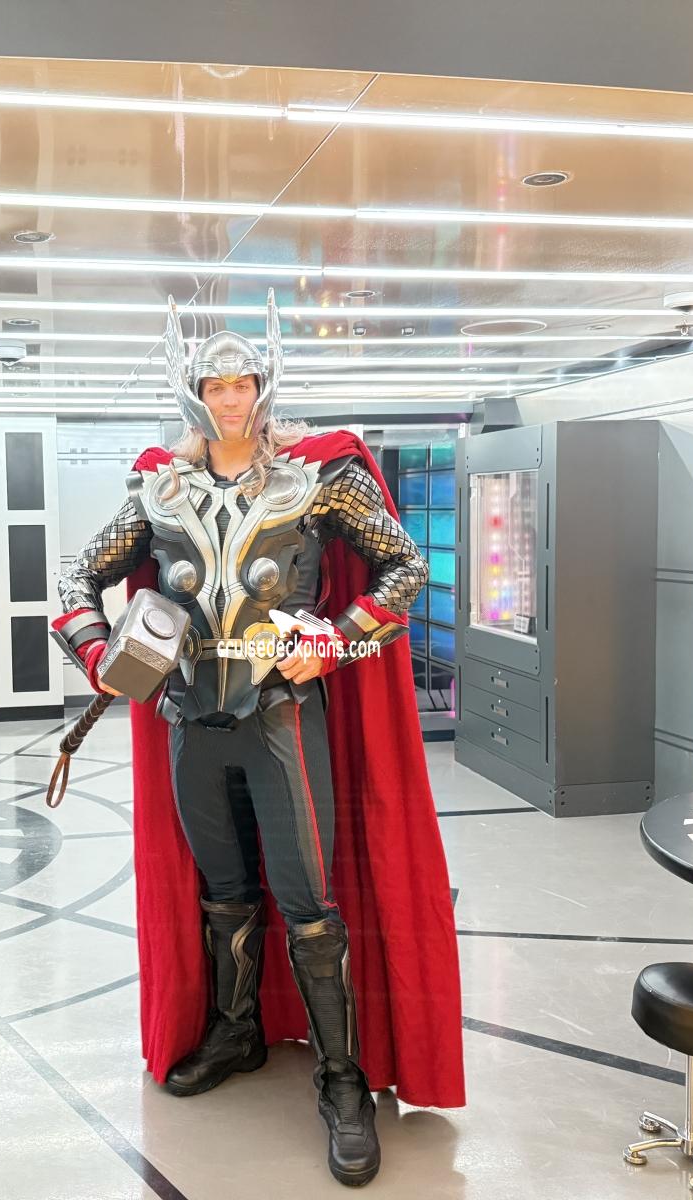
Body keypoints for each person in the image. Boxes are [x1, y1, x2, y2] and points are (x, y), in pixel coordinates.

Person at [51, 292, 464, 1187]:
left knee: (309, 903)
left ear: (263, 388)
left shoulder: (320, 478)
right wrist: (100, 654)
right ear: (194, 393)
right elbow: (77, 575)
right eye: (216, 385)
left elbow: (405, 565)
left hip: (282, 714)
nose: (231, 399)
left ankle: (342, 1079)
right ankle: (236, 1032)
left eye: (243, 384)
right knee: (224, 893)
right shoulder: (159, 488)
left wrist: (337, 640)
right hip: (188, 719)